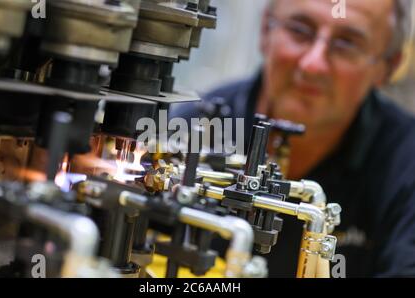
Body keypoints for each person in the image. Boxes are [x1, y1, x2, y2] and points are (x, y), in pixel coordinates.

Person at [170, 0, 415, 277]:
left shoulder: (407, 163)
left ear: (387, 67)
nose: (313, 64)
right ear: (265, 31)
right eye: (300, 30)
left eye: (347, 44)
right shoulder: (194, 127)